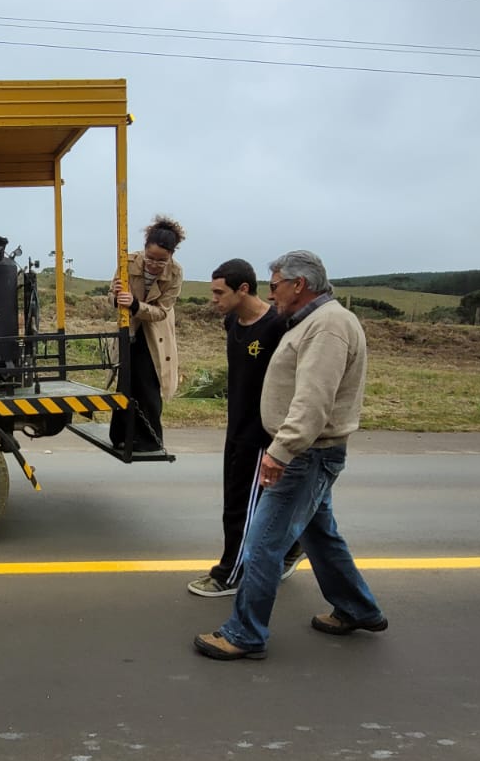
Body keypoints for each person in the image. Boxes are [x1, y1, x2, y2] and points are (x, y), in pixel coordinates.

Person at [194, 250, 387, 661]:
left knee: (263, 544)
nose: (272, 293)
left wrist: (280, 452)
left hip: (306, 454)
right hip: (311, 452)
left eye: (276, 285)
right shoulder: (316, 322)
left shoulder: (328, 327)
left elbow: (313, 400)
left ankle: (245, 633)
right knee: (320, 535)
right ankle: (358, 608)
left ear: (299, 285)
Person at [188, 259, 303, 598]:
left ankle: (231, 573)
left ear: (243, 289)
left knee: (242, 504)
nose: (213, 298)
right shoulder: (231, 322)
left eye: (218, 292)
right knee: (253, 500)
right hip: (235, 426)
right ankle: (294, 545)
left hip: (260, 432)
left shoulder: (277, 326)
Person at [108, 216, 184, 455]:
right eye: (150, 258)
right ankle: (120, 436)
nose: (154, 264)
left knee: (147, 385)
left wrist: (134, 305)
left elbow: (162, 311)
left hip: (154, 333)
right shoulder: (127, 262)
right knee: (125, 384)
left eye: (162, 260)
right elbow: (111, 296)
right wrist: (119, 298)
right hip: (128, 328)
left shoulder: (176, 273)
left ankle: (150, 440)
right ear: (144, 249)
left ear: (171, 255)